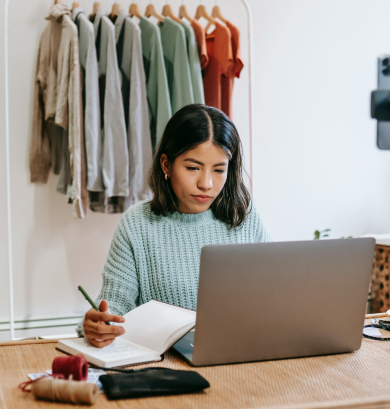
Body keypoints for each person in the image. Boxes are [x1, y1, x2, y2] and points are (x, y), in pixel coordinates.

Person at [80, 104, 271, 347]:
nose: (206, 183)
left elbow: (274, 294)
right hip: (167, 365)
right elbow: (115, 305)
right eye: (193, 168)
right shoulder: (137, 224)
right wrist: (99, 325)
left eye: (219, 169)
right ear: (166, 165)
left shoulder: (243, 216)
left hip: (242, 354)